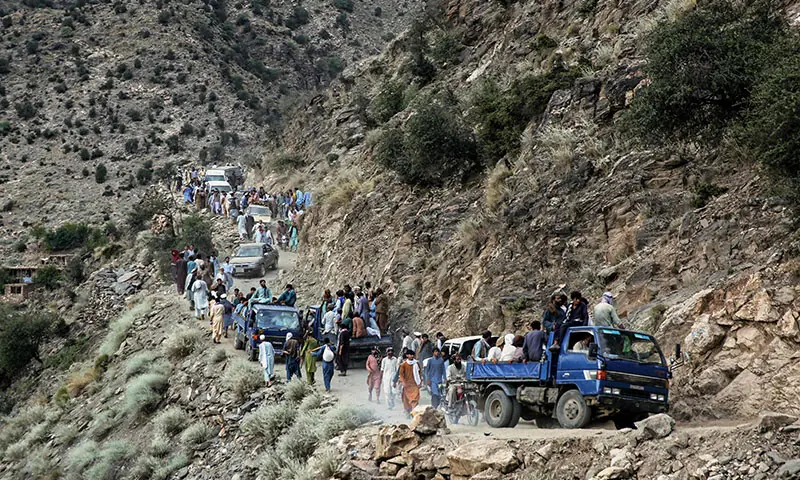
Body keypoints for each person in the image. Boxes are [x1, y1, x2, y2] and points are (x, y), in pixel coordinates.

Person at [395, 349, 422, 417]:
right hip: (407, 385)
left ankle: (414, 414)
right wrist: (403, 382)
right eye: (410, 355)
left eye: (412, 355)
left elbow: (419, 373)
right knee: (406, 400)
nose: (411, 356)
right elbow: (401, 375)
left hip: (415, 385)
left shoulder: (416, 364)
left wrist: (420, 382)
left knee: (414, 400)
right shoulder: (404, 365)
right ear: (407, 355)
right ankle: (408, 412)